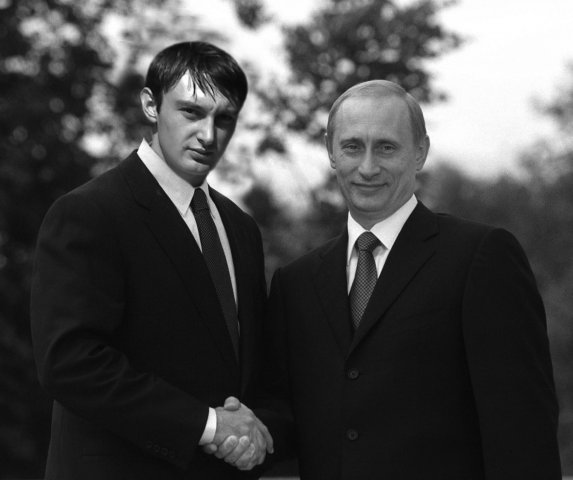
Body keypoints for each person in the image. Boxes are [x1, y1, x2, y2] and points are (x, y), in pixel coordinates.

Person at [260, 80, 562, 479]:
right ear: (331, 151)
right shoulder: (295, 283)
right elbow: (287, 415)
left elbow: (523, 427)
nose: (368, 167)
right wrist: (235, 428)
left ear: (420, 152)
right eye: (352, 146)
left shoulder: (481, 257)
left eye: (386, 147)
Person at [30, 41, 274, 480]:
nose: (208, 135)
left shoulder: (241, 229)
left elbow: (246, 371)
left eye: (224, 119)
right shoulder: (89, 212)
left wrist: (254, 432)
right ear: (150, 105)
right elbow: (71, 362)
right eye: (191, 112)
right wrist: (209, 425)